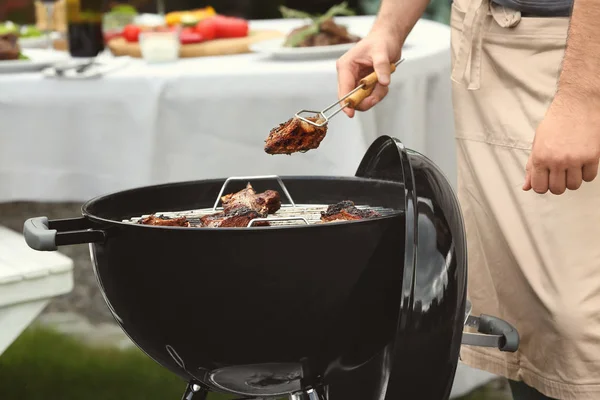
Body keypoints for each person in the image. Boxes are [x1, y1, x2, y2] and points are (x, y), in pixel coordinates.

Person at [336, 0, 600, 399]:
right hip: (490, 42)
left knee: (580, 329)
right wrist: (389, 27)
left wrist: (583, 96)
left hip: (576, 51)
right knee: (531, 325)